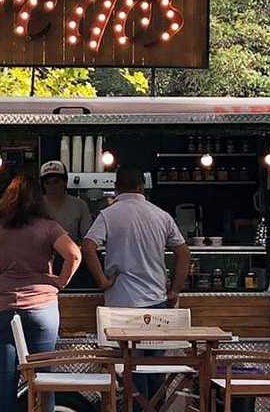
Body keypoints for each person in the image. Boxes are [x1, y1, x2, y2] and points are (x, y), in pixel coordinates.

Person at [0, 174, 82, 412]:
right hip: (42, 307)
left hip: (5, 307)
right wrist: (61, 281)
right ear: (37, 199)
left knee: (6, 378)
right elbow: (74, 254)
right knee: (44, 377)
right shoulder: (49, 227)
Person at [82, 165, 191, 410]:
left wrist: (102, 281)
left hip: (122, 305)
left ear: (117, 186)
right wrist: (175, 290)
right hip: (156, 304)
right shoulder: (161, 215)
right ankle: (154, 407)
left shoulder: (108, 215)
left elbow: (88, 246)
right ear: (142, 187)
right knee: (154, 368)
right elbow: (184, 253)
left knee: (132, 369)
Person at [40, 160, 93, 242]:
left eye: (56, 182)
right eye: (47, 183)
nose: (52, 187)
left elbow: (87, 237)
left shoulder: (80, 205)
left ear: (65, 182)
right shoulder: (36, 205)